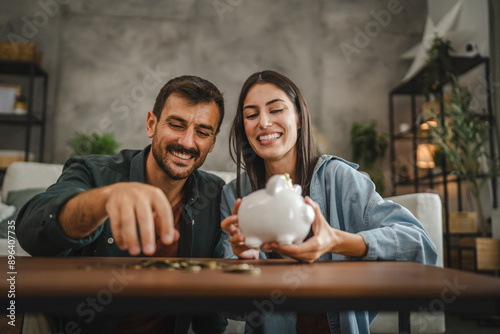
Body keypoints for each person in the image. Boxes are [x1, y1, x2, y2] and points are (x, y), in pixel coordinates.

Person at [221, 70, 438, 333]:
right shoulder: (236, 195)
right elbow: (231, 309)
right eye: (251, 115)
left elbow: (420, 246)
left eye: (276, 109)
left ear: (299, 119)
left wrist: (336, 241)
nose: (264, 123)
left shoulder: (339, 178)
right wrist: (248, 263)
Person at [16, 75, 228, 333]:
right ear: (152, 124)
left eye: (202, 132)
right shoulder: (93, 172)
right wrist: (104, 200)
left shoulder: (215, 194)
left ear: (212, 143)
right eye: (176, 125)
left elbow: (212, 305)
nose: (187, 141)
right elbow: (31, 230)